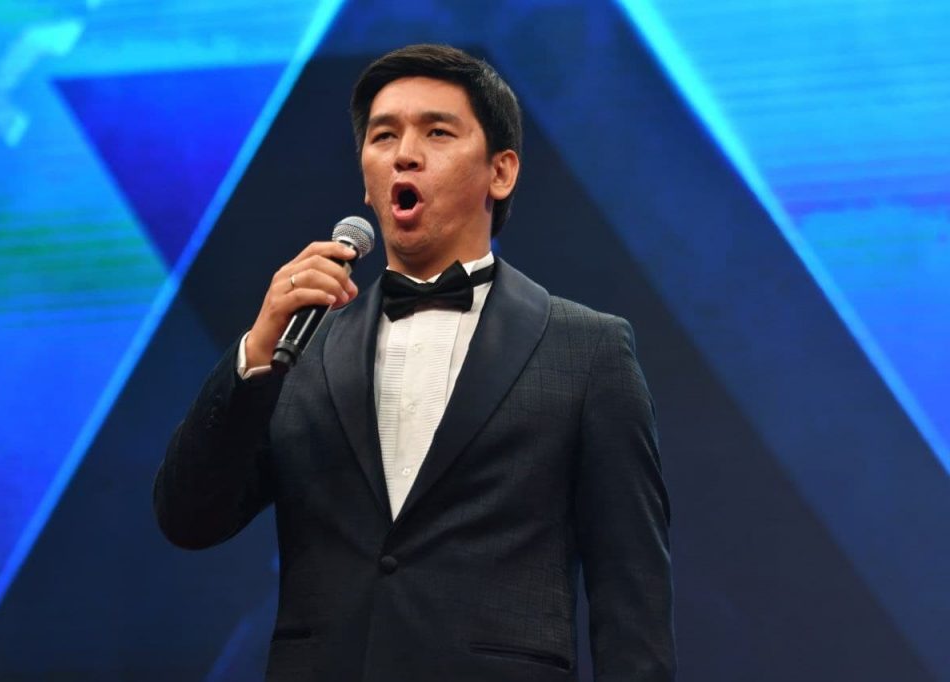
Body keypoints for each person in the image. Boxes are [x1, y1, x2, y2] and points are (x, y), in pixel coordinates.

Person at [154, 43, 675, 681]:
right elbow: (190, 519)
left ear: (501, 172)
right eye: (383, 136)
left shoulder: (588, 349)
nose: (405, 153)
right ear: (365, 178)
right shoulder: (297, 349)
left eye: (437, 132)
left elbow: (631, 593)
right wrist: (255, 354)